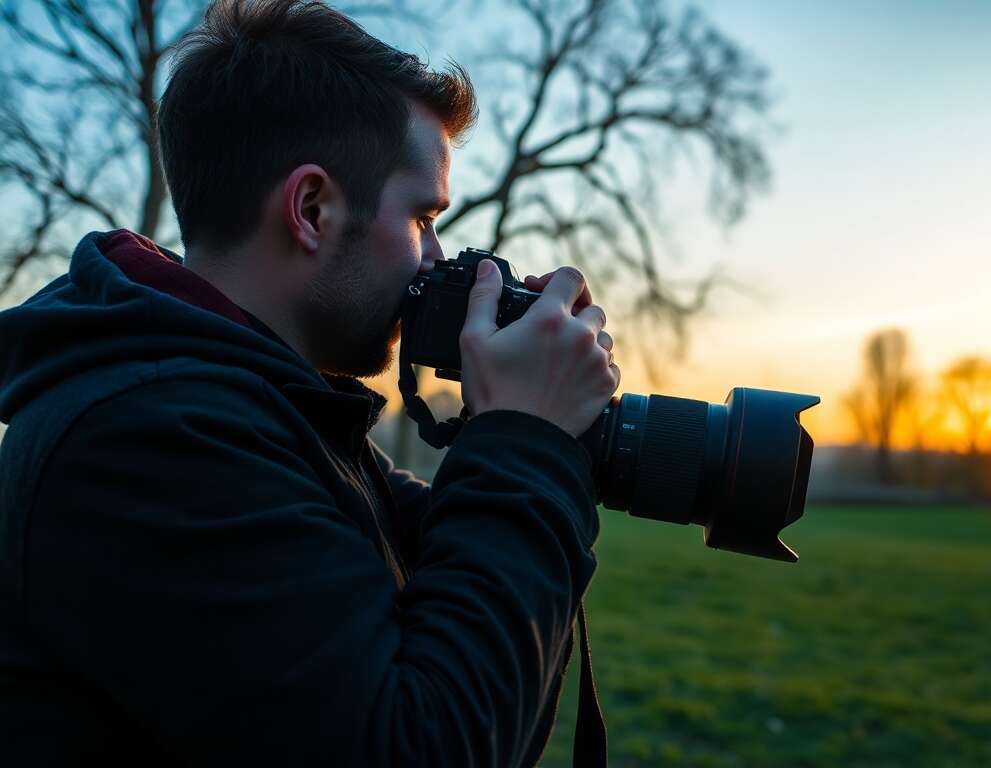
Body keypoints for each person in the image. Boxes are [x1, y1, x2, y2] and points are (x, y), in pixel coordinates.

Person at [0, 0, 618, 765]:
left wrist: (548, 432)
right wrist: (527, 440)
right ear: (313, 209)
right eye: (422, 218)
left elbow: (446, 575)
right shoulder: (148, 438)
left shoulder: (262, 412)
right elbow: (424, 745)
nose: (436, 257)